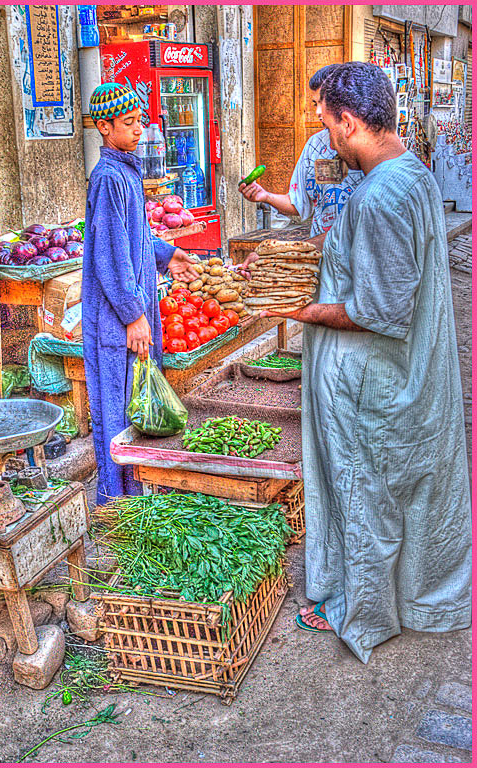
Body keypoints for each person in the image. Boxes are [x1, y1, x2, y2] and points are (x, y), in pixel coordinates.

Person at [246, 62, 472, 663]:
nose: (323, 133)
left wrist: (304, 308)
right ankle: (406, 594)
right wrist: (302, 257)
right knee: (395, 492)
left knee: (364, 491)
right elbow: (364, 251)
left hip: (373, 385)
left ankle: (362, 607)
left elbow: (377, 310)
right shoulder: (412, 175)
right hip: (404, 376)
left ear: (350, 122)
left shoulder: (378, 196)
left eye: (326, 121)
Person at [82, 83, 197, 505]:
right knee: (118, 405)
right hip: (115, 317)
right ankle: (117, 501)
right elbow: (111, 255)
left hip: (130, 308)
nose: (137, 131)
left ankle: (138, 489)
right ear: (104, 126)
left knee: (137, 398)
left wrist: (169, 254)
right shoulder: (108, 178)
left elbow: (135, 238)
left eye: (139, 122)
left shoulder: (125, 170)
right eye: (128, 124)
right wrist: (133, 314)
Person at [239, 64, 363, 237]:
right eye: (315, 103)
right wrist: (265, 196)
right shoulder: (315, 145)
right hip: (322, 255)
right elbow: (299, 203)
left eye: (324, 102)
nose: (318, 112)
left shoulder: (366, 144)